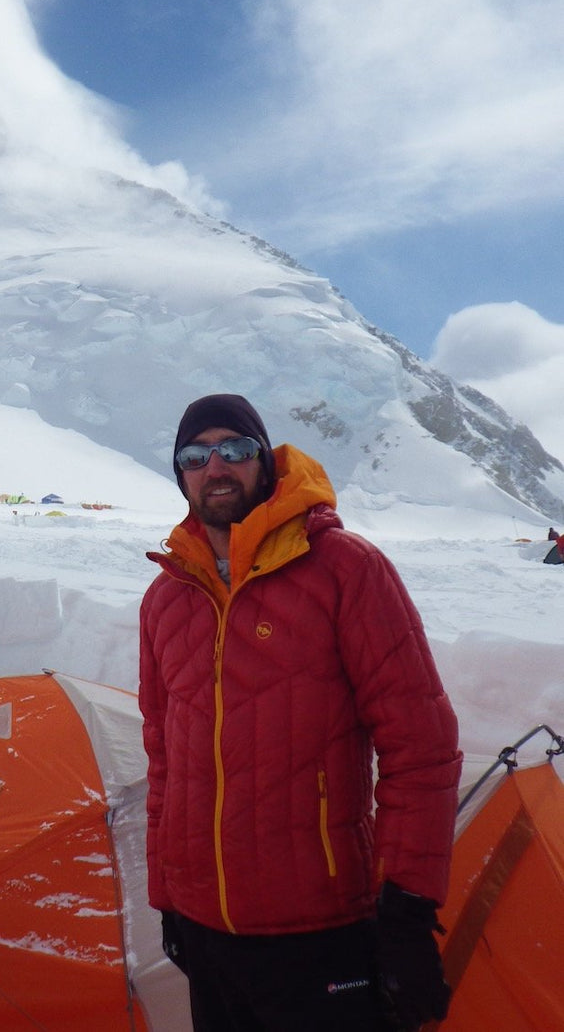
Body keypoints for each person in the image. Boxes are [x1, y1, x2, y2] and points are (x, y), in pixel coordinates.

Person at [139, 394, 461, 1032]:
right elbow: (163, 758)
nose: (216, 466)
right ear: (181, 475)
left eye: (234, 449)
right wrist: (169, 900)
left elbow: (420, 745)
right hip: (207, 935)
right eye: (196, 456)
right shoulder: (165, 597)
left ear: (265, 462)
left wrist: (407, 911)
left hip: (322, 932)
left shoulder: (347, 570)